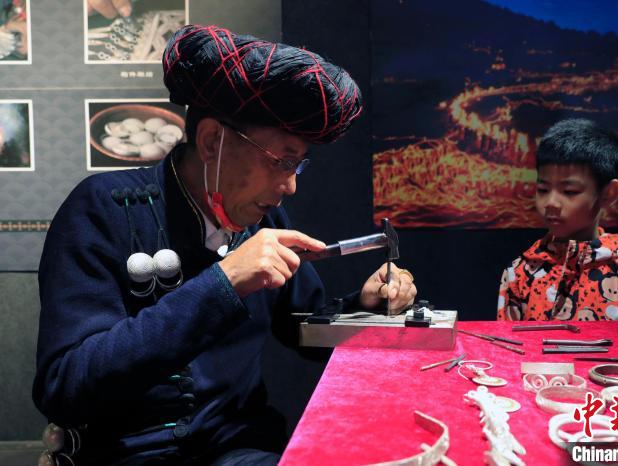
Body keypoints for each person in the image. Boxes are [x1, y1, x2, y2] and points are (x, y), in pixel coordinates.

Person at [33, 24, 417, 466]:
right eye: (281, 161)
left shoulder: (261, 218)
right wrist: (224, 282)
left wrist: (364, 306)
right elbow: (65, 387)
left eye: (298, 165)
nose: (290, 186)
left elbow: (305, 329)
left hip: (238, 449)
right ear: (213, 141)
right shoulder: (105, 208)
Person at [497, 118, 618, 321]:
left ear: (608, 193)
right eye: (543, 189)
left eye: (569, 191)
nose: (551, 203)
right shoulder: (519, 273)